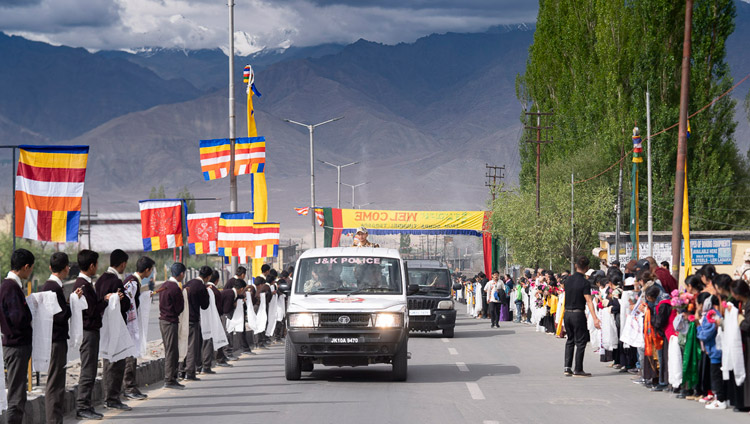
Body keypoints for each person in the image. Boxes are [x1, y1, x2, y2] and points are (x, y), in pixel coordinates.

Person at [41, 252, 81, 424]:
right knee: (56, 383)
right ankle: (54, 419)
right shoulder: (54, 287)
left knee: (56, 380)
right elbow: (60, 316)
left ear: (50, 267)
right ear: (67, 268)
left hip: (52, 338)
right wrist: (72, 302)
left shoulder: (47, 285)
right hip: (55, 340)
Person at [1, 249, 34, 424]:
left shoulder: (12, 286)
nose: (30, 273)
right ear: (26, 267)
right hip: (16, 347)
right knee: (16, 395)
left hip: (17, 346)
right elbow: (18, 318)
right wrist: (30, 313)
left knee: (19, 392)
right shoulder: (10, 287)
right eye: (31, 269)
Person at [96, 249, 132, 411]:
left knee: (108, 361)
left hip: (104, 326)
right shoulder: (116, 282)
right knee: (117, 363)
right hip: (115, 326)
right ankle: (112, 397)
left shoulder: (100, 280)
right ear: (123, 263)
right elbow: (124, 305)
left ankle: (108, 396)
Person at [73, 249, 106, 420]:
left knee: (91, 369)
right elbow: (92, 311)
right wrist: (105, 301)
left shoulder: (84, 283)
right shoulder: (83, 285)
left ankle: (87, 404)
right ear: (92, 266)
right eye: (96, 264)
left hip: (90, 331)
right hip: (88, 332)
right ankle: (82, 406)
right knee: (88, 370)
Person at [122, 256, 154, 401]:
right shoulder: (132, 283)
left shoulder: (135, 282)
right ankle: (129, 387)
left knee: (132, 356)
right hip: (129, 326)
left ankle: (132, 386)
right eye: (151, 270)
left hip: (130, 326)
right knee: (130, 357)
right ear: (147, 270)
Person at [563, 256, 601, 377]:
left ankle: (567, 367)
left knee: (570, 340)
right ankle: (578, 369)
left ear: (575, 266)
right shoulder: (584, 282)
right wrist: (595, 317)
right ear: (587, 268)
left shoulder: (567, 280)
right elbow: (589, 301)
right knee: (580, 341)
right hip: (578, 314)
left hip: (567, 313)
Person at [179, 266, 211, 381]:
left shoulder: (188, 283)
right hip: (193, 319)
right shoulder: (201, 286)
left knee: (182, 344)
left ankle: (181, 371)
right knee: (192, 346)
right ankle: (190, 372)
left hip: (183, 318)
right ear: (208, 277)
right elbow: (205, 305)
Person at [697, 294, 726, 410]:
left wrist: (698, 328)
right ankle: (718, 397)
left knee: (716, 376)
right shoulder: (711, 314)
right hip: (714, 350)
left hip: (715, 350)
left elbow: (705, 334)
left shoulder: (711, 315)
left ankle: (720, 400)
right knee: (716, 375)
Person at [160, 263, 186, 390]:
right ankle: (169, 378)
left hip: (164, 320)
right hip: (170, 321)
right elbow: (180, 307)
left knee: (170, 349)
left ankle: (171, 377)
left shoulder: (164, 285)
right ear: (181, 274)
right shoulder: (174, 288)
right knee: (171, 351)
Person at [200, 270, 222, 373]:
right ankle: (207, 365)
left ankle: (200, 365)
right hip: (211, 319)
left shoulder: (202, 287)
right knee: (209, 341)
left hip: (200, 319)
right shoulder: (213, 290)